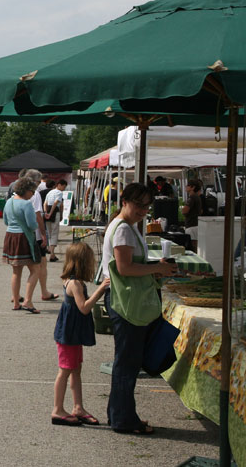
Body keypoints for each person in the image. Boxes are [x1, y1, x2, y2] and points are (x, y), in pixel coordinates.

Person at [101, 183, 177, 435]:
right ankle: (124, 420)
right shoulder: (123, 229)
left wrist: (157, 266)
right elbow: (124, 269)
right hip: (126, 302)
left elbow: (129, 265)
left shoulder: (126, 226)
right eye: (139, 204)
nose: (143, 210)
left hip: (125, 300)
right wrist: (158, 269)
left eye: (147, 206)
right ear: (124, 201)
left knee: (126, 362)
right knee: (127, 364)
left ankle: (119, 415)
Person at [51, 242, 107, 426]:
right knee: (65, 370)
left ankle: (78, 407)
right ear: (82, 263)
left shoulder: (76, 281)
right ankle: (58, 409)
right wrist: (101, 289)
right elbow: (83, 308)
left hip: (73, 333)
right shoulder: (74, 283)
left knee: (76, 369)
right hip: (69, 334)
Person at [2, 177, 41, 314]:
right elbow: (32, 224)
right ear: (26, 191)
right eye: (32, 191)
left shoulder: (9, 202)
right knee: (35, 269)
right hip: (24, 238)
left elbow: (6, 221)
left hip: (10, 237)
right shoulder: (26, 204)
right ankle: (28, 301)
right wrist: (38, 228)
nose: (33, 194)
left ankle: (16, 302)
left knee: (16, 271)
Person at [24, 169, 58, 302]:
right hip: (35, 233)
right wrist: (44, 234)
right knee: (40, 264)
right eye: (38, 182)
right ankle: (43, 292)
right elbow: (38, 215)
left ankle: (15, 295)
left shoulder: (18, 193)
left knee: (19, 267)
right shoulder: (35, 194)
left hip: (20, 232)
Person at [44, 179, 68, 262]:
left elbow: (45, 203)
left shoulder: (50, 192)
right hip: (54, 211)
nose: (64, 188)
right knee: (54, 232)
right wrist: (51, 213)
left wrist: (46, 212)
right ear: (59, 185)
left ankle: (51, 252)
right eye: (64, 186)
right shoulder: (59, 193)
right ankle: (52, 254)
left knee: (49, 232)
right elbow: (56, 203)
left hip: (48, 211)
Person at [182, 179, 204, 251]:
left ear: (193, 187)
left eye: (188, 185)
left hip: (191, 224)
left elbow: (185, 210)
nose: (186, 186)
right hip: (195, 223)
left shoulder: (192, 197)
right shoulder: (197, 197)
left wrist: (183, 210)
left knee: (193, 245)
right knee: (196, 245)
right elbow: (200, 211)